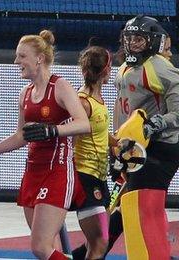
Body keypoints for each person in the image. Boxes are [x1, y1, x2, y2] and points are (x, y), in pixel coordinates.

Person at [0, 30, 90, 259]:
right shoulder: (25, 93)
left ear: (39, 58)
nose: (16, 62)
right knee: (49, 249)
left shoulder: (60, 86)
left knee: (40, 247)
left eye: (21, 56)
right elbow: (21, 136)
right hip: (32, 172)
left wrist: (53, 130)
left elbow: (84, 124)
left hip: (57, 171)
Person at [98, 15, 179, 258]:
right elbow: (124, 112)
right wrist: (116, 147)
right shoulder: (125, 67)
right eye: (129, 38)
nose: (132, 44)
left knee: (143, 207)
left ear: (152, 42)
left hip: (158, 148)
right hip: (133, 149)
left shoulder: (158, 66)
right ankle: (93, 252)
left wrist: (157, 123)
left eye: (139, 39)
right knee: (128, 205)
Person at [70, 46, 112, 260]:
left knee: (94, 242)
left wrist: (118, 143)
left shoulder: (98, 100)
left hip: (99, 176)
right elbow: (71, 140)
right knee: (100, 241)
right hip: (85, 177)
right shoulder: (83, 103)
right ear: (107, 70)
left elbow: (100, 134)